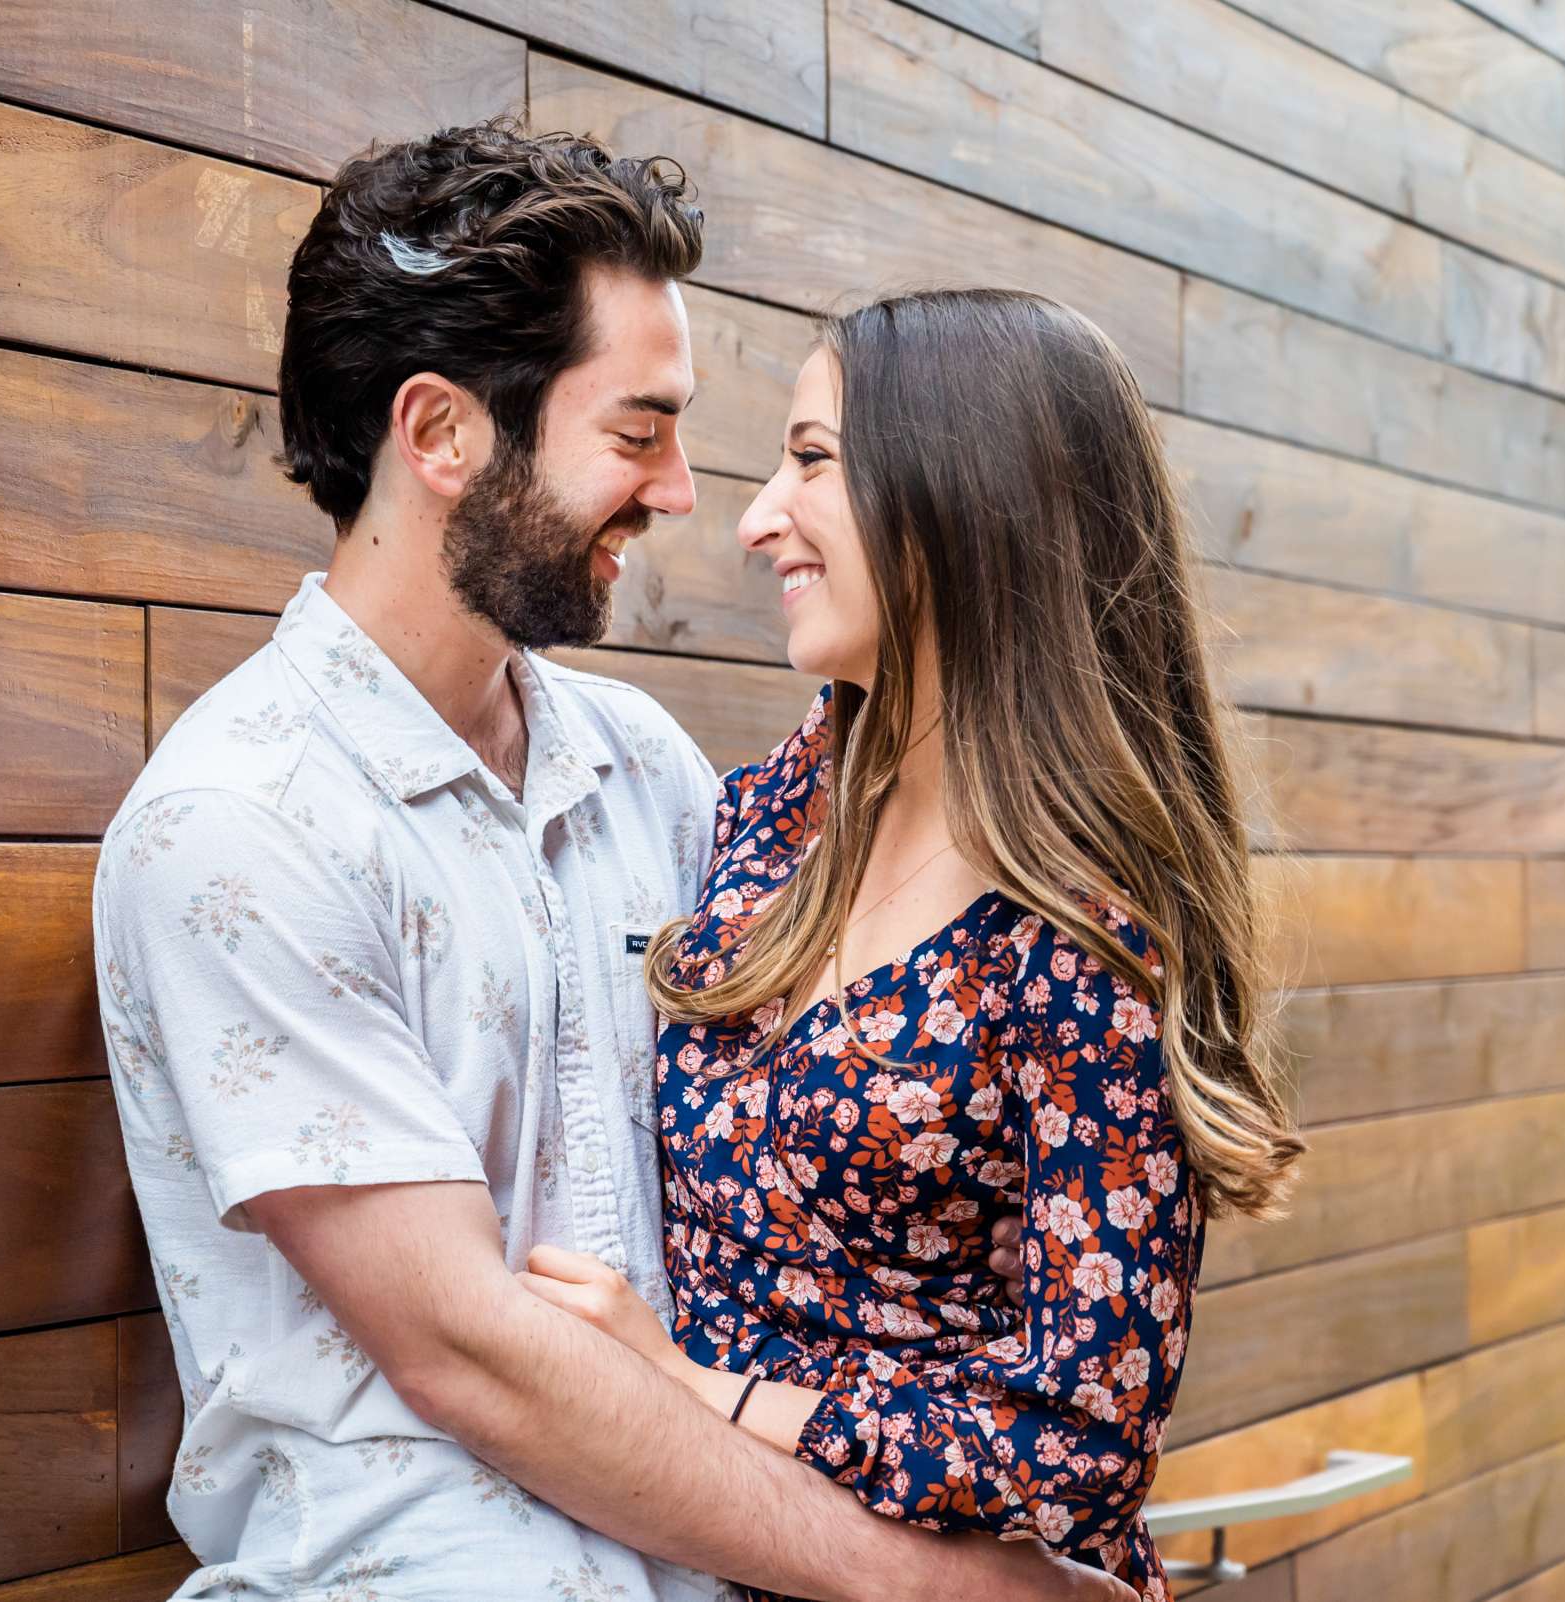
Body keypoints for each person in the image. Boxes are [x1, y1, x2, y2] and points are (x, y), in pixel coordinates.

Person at [91, 122, 1137, 1602]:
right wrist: (939, 1586)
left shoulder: (649, 770)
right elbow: (475, 1360)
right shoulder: (240, 826)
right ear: (443, 435)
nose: (683, 493)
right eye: (638, 433)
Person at [512, 290, 1308, 1602]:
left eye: (811, 460)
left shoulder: (1086, 936)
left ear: (964, 496)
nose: (761, 515)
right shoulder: (777, 810)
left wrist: (696, 1392)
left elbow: (1079, 1449)